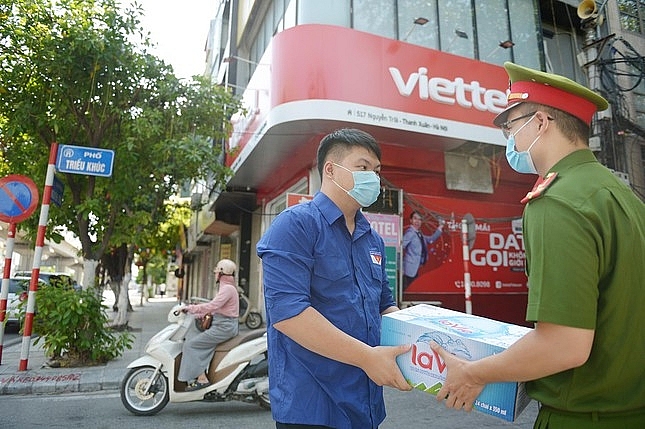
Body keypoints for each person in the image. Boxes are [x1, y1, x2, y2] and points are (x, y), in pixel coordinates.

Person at [430, 62, 645, 428]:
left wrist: (474, 372)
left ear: (541, 122)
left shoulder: (557, 201)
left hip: (584, 417)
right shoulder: (622, 195)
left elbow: (564, 345)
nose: (509, 139)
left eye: (510, 126)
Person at [256, 128, 412, 429]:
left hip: (365, 404)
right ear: (331, 169)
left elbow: (385, 307)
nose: (374, 178)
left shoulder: (373, 241)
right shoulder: (295, 225)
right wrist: (368, 357)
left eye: (377, 171)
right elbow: (289, 314)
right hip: (311, 405)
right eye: (363, 167)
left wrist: (427, 344)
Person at [178, 258, 240, 391]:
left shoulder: (227, 289)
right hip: (222, 324)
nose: (215, 274)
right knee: (194, 339)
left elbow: (213, 305)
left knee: (191, 345)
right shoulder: (226, 287)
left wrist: (191, 309)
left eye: (216, 271)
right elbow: (215, 308)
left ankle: (202, 379)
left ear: (221, 273)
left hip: (224, 327)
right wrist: (197, 313)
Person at [401, 211, 444, 290]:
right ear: (411, 220)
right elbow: (400, 248)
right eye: (415, 219)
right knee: (407, 289)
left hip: (416, 267)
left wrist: (440, 227)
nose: (417, 221)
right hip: (408, 269)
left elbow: (430, 239)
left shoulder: (418, 234)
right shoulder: (410, 233)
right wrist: (401, 267)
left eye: (420, 219)